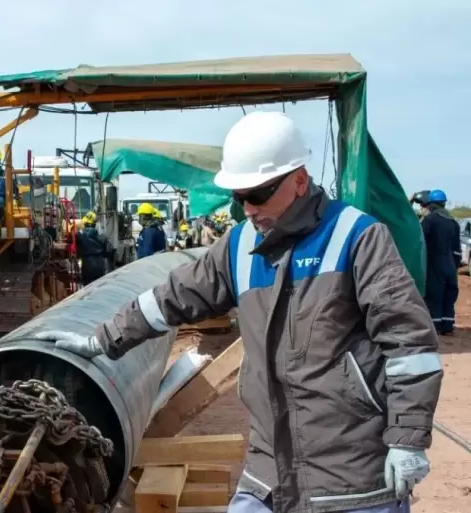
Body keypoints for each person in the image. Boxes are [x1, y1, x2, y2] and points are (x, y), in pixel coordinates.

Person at [36, 111, 443, 513]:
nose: (248, 207)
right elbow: (172, 297)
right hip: (270, 472)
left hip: (350, 474)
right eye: (239, 196)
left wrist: (407, 440)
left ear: (299, 181)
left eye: (258, 193)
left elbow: (410, 346)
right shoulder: (240, 246)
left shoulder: (356, 238)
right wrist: (102, 339)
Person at [419, 189, 462, 335]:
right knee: (449, 295)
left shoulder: (429, 220)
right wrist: (453, 265)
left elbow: (420, 242)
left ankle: (435, 326)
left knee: (435, 295)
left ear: (430, 205)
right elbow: (458, 251)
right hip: (450, 265)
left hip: (435, 263)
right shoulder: (453, 223)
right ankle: (447, 326)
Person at [76, 212, 111, 285]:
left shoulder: (79, 236)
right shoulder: (102, 237)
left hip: (87, 263)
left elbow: (75, 248)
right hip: (100, 263)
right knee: (99, 286)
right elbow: (107, 253)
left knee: (87, 287)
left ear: (85, 224)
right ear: (95, 225)